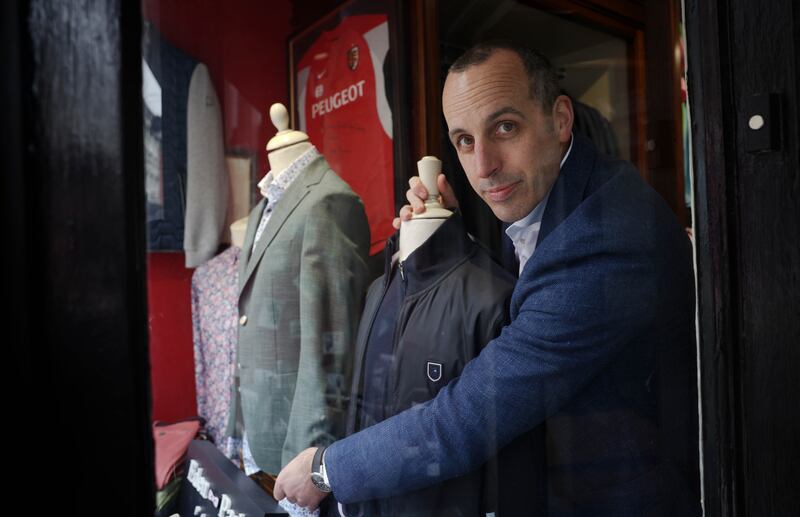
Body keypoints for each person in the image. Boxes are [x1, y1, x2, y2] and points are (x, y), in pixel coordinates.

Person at [275, 40, 700, 516]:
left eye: (505, 127)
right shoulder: (555, 199)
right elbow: (523, 298)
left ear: (560, 120)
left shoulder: (604, 236)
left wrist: (327, 469)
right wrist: (445, 237)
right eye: (464, 140)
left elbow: (466, 419)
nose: (484, 166)